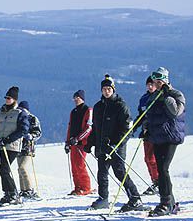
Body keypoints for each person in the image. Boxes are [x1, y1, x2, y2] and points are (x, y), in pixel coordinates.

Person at [86, 75, 144, 211]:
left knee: (120, 173)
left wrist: (116, 144)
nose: (106, 91)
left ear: (113, 90)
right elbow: (95, 127)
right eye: (104, 89)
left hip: (116, 147)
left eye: (109, 89)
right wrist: (90, 143)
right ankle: (103, 198)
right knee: (102, 173)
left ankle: (135, 199)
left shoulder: (120, 105)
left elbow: (126, 129)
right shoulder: (98, 107)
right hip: (102, 147)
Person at [146, 67, 186, 216]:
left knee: (163, 169)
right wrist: (146, 128)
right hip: (157, 137)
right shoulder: (154, 96)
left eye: (159, 82)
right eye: (155, 82)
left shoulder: (176, 94)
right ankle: (171, 202)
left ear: (166, 81)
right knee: (161, 170)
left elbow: (175, 112)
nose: (156, 84)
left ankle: (165, 203)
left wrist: (166, 96)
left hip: (171, 136)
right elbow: (149, 115)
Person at [0, 86, 30, 206]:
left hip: (13, 145)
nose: (7, 100)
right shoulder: (1, 111)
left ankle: (13, 193)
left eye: (9, 98)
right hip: (2, 144)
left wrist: (8, 139)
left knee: (4, 169)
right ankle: (8, 193)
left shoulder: (19, 112)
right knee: (3, 169)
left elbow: (23, 130)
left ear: (14, 99)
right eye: (6, 98)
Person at [133, 77, 159, 195]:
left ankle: (159, 182)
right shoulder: (144, 99)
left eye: (152, 84)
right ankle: (154, 181)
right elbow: (141, 115)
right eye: (148, 84)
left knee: (154, 159)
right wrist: (135, 126)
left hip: (158, 133)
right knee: (148, 159)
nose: (150, 87)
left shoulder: (159, 97)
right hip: (146, 133)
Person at [64, 90, 94, 196]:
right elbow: (70, 127)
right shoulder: (73, 112)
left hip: (82, 142)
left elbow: (88, 127)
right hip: (73, 142)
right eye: (75, 98)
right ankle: (78, 187)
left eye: (78, 98)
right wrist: (67, 142)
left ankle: (85, 187)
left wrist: (78, 138)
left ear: (83, 99)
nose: (76, 100)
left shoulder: (87, 110)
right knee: (74, 165)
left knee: (80, 164)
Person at [16, 101, 42, 199]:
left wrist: (31, 136)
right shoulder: (18, 118)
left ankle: (30, 189)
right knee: (20, 169)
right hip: (19, 147)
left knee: (23, 168)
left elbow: (38, 132)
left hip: (28, 147)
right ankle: (23, 190)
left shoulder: (32, 118)